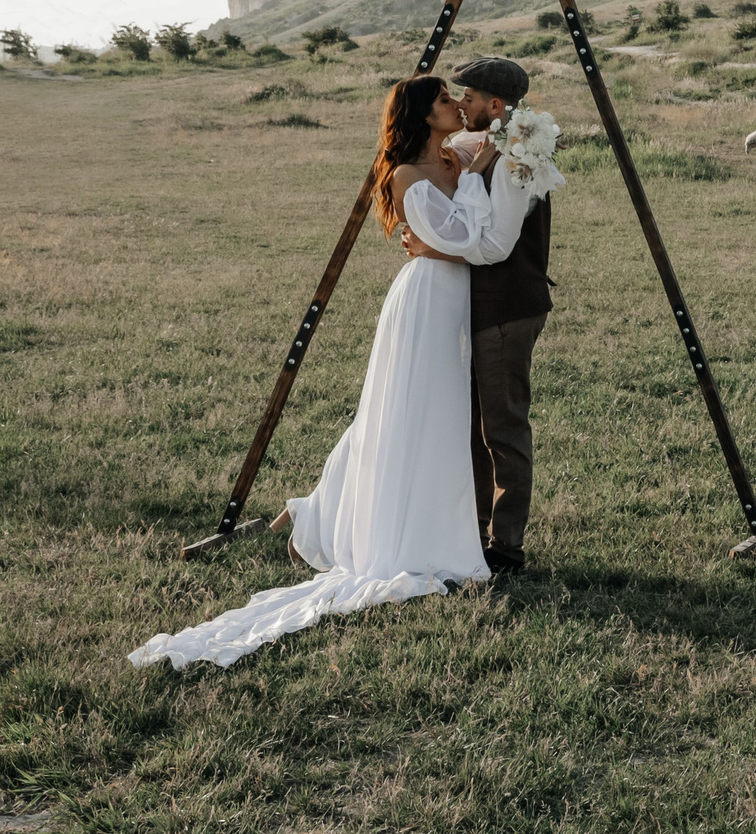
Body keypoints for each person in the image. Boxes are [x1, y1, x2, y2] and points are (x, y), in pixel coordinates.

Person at [130, 75, 552, 669]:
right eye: (442, 100)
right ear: (421, 116)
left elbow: (479, 187)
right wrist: (439, 235)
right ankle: (372, 524)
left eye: (459, 98)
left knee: (438, 416)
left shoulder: (461, 155)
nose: (455, 105)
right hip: (430, 298)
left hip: (461, 300)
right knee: (410, 409)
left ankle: (324, 507)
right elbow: (458, 238)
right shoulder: (410, 173)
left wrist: (482, 161)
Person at [411, 56, 554, 575]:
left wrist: (434, 251)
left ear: (494, 105)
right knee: (474, 428)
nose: (460, 103)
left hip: (506, 308)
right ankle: (472, 532)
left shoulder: (516, 156)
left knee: (503, 428)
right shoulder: (492, 144)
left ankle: (506, 548)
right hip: (486, 307)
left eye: (467, 96)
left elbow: (495, 246)